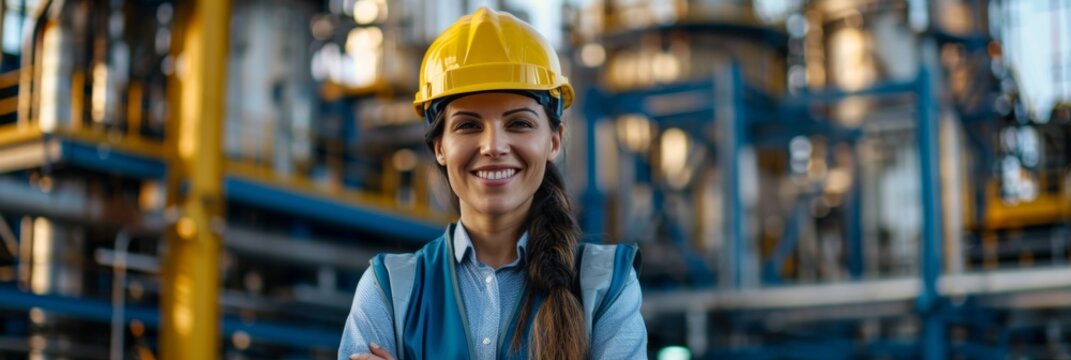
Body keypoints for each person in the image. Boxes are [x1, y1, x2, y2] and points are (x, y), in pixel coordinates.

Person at [339, 7, 646, 360]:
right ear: (440, 147)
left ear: (554, 141)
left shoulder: (606, 285)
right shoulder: (388, 288)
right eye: (468, 125)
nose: (494, 146)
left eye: (518, 124)